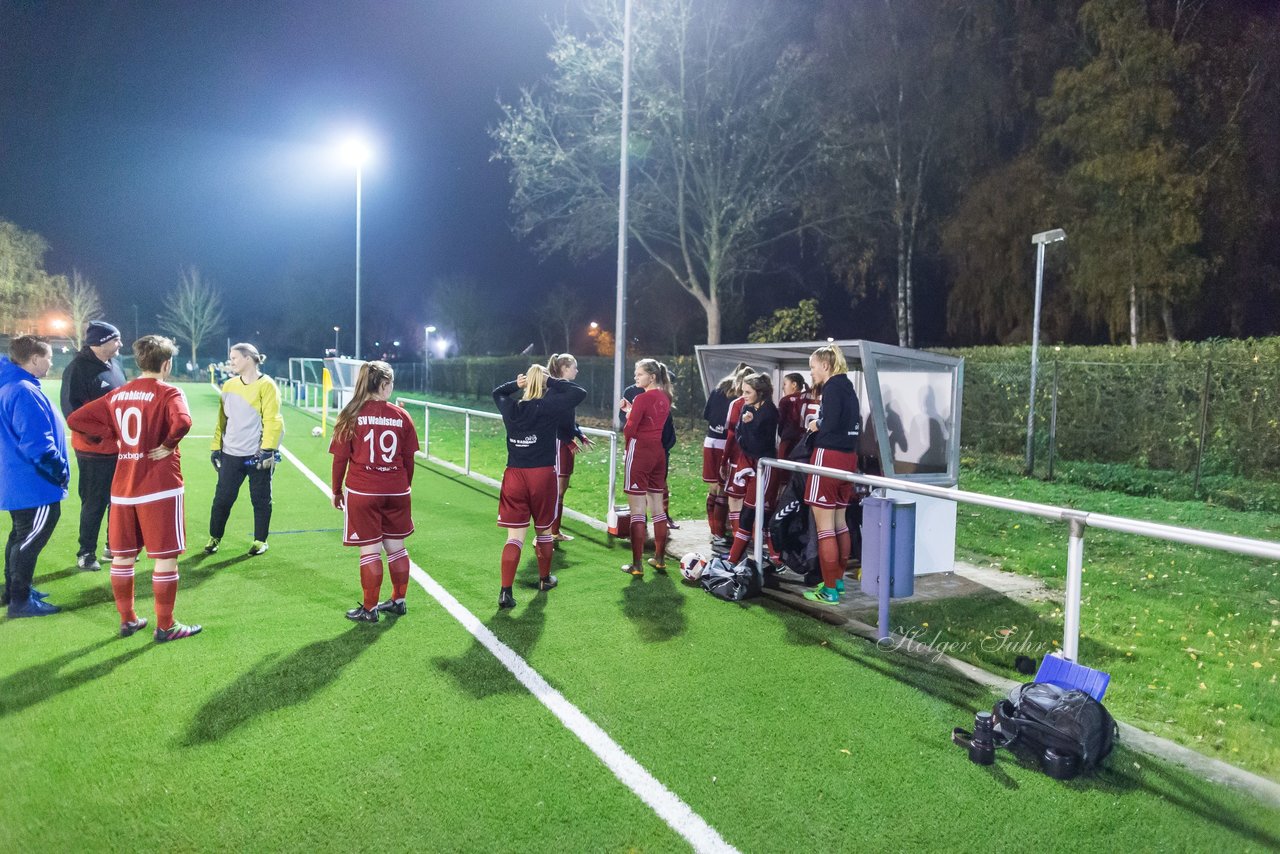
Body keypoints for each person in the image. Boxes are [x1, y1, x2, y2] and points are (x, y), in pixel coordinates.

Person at [66, 335, 200, 640]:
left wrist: (114, 438)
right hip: (160, 486)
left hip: (123, 487)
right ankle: (166, 625)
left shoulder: (120, 393)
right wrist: (167, 445)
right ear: (167, 364)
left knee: (123, 556)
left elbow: (76, 419)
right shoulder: (169, 391)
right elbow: (183, 422)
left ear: (138, 362)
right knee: (165, 556)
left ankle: (128, 620)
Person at [329, 361, 421, 622]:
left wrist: (336, 490)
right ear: (384, 384)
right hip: (397, 491)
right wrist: (404, 486)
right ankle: (398, 600)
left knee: (370, 551)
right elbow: (408, 460)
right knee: (397, 548)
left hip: (363, 492)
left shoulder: (350, 414)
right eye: (390, 383)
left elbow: (339, 459)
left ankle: (369, 609)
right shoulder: (402, 416)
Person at [493, 365, 586, 608]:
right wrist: (551, 382)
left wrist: (516, 384)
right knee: (544, 531)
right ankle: (544, 579)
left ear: (526, 382)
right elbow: (579, 392)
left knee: (514, 537)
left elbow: (497, 393)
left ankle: (505, 592)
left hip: (514, 475)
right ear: (544, 381)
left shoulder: (511, 408)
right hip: (542, 476)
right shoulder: (548, 407)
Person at [0, 336, 68, 618]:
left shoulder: (11, 385)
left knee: (19, 535)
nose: (51, 363)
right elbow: (37, 445)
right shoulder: (23, 390)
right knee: (29, 538)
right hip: (34, 484)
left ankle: (13, 591)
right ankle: (20, 600)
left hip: (18, 481)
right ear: (35, 359)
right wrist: (60, 471)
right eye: (49, 358)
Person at [60, 320, 127, 571]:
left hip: (119, 448)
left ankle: (114, 545)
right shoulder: (77, 369)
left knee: (118, 500)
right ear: (101, 342)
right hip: (94, 451)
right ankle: (86, 553)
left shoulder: (116, 366)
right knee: (94, 501)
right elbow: (72, 414)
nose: (120, 343)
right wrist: (103, 434)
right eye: (116, 339)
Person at [205, 343, 284, 556]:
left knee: (260, 499)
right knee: (222, 498)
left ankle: (260, 540)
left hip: (257, 455)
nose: (231, 362)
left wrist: (267, 450)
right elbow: (222, 419)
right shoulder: (229, 385)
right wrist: (216, 448)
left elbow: (273, 419)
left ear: (248, 358)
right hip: (231, 454)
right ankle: (214, 537)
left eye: (235, 358)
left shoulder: (267, 385)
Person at [801, 344, 861, 606]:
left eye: (813, 367)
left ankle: (829, 591)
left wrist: (816, 425)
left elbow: (832, 422)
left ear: (825, 365)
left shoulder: (833, 388)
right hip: (848, 458)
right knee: (840, 523)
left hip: (829, 456)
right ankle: (836, 582)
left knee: (825, 526)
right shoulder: (848, 387)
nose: (811, 373)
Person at [619, 358, 675, 575]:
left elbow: (630, 430)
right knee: (658, 507)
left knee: (637, 511)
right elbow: (649, 420)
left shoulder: (642, 398)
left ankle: (637, 564)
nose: (636, 378)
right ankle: (659, 559)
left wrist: (627, 451)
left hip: (640, 452)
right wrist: (631, 410)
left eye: (639, 374)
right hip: (658, 453)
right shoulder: (664, 397)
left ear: (652, 376)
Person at [724, 372, 779, 565]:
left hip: (765, 468)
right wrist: (746, 427)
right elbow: (740, 438)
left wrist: (748, 426)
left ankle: (772, 558)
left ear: (760, 392)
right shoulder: (747, 408)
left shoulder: (769, 411)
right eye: (743, 391)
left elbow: (757, 444)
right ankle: (736, 558)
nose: (744, 395)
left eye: (748, 391)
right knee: (750, 513)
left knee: (754, 513)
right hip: (752, 465)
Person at [546, 353, 592, 544]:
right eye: (574, 366)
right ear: (564, 368)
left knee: (562, 490)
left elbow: (568, 421)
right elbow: (552, 421)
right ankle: (547, 532)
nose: (577, 370)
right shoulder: (555, 392)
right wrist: (567, 440)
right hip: (558, 444)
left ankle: (555, 532)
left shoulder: (566, 391)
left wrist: (579, 434)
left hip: (566, 443)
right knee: (556, 491)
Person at [701, 365, 740, 551]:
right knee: (723, 489)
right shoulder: (739, 397)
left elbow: (706, 414)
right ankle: (720, 532)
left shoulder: (718, 390)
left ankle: (715, 531)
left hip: (710, 441)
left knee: (714, 487)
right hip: (725, 444)